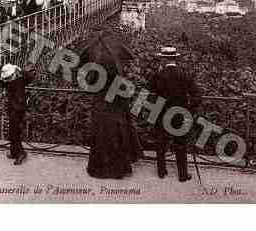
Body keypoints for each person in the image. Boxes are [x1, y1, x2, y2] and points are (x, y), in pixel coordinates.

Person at [84, 33, 138, 179]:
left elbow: (90, 85)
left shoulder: (95, 71)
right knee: (117, 138)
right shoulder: (118, 74)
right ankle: (118, 170)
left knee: (100, 138)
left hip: (100, 108)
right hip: (115, 110)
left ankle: (100, 170)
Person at [148, 46, 201, 182]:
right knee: (180, 143)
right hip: (179, 114)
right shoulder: (184, 75)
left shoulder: (158, 75)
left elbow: (149, 90)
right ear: (175, 59)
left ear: (163, 59)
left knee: (161, 142)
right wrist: (189, 109)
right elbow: (196, 96)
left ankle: (161, 171)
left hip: (160, 112)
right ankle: (182, 175)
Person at [0, 63, 34, 165]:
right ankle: (14, 152)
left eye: (10, 75)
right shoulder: (9, 81)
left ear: (14, 73)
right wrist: (5, 75)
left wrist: (19, 70)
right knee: (12, 132)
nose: (8, 78)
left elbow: (30, 77)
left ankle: (21, 153)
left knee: (15, 133)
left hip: (19, 110)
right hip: (12, 109)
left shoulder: (21, 80)